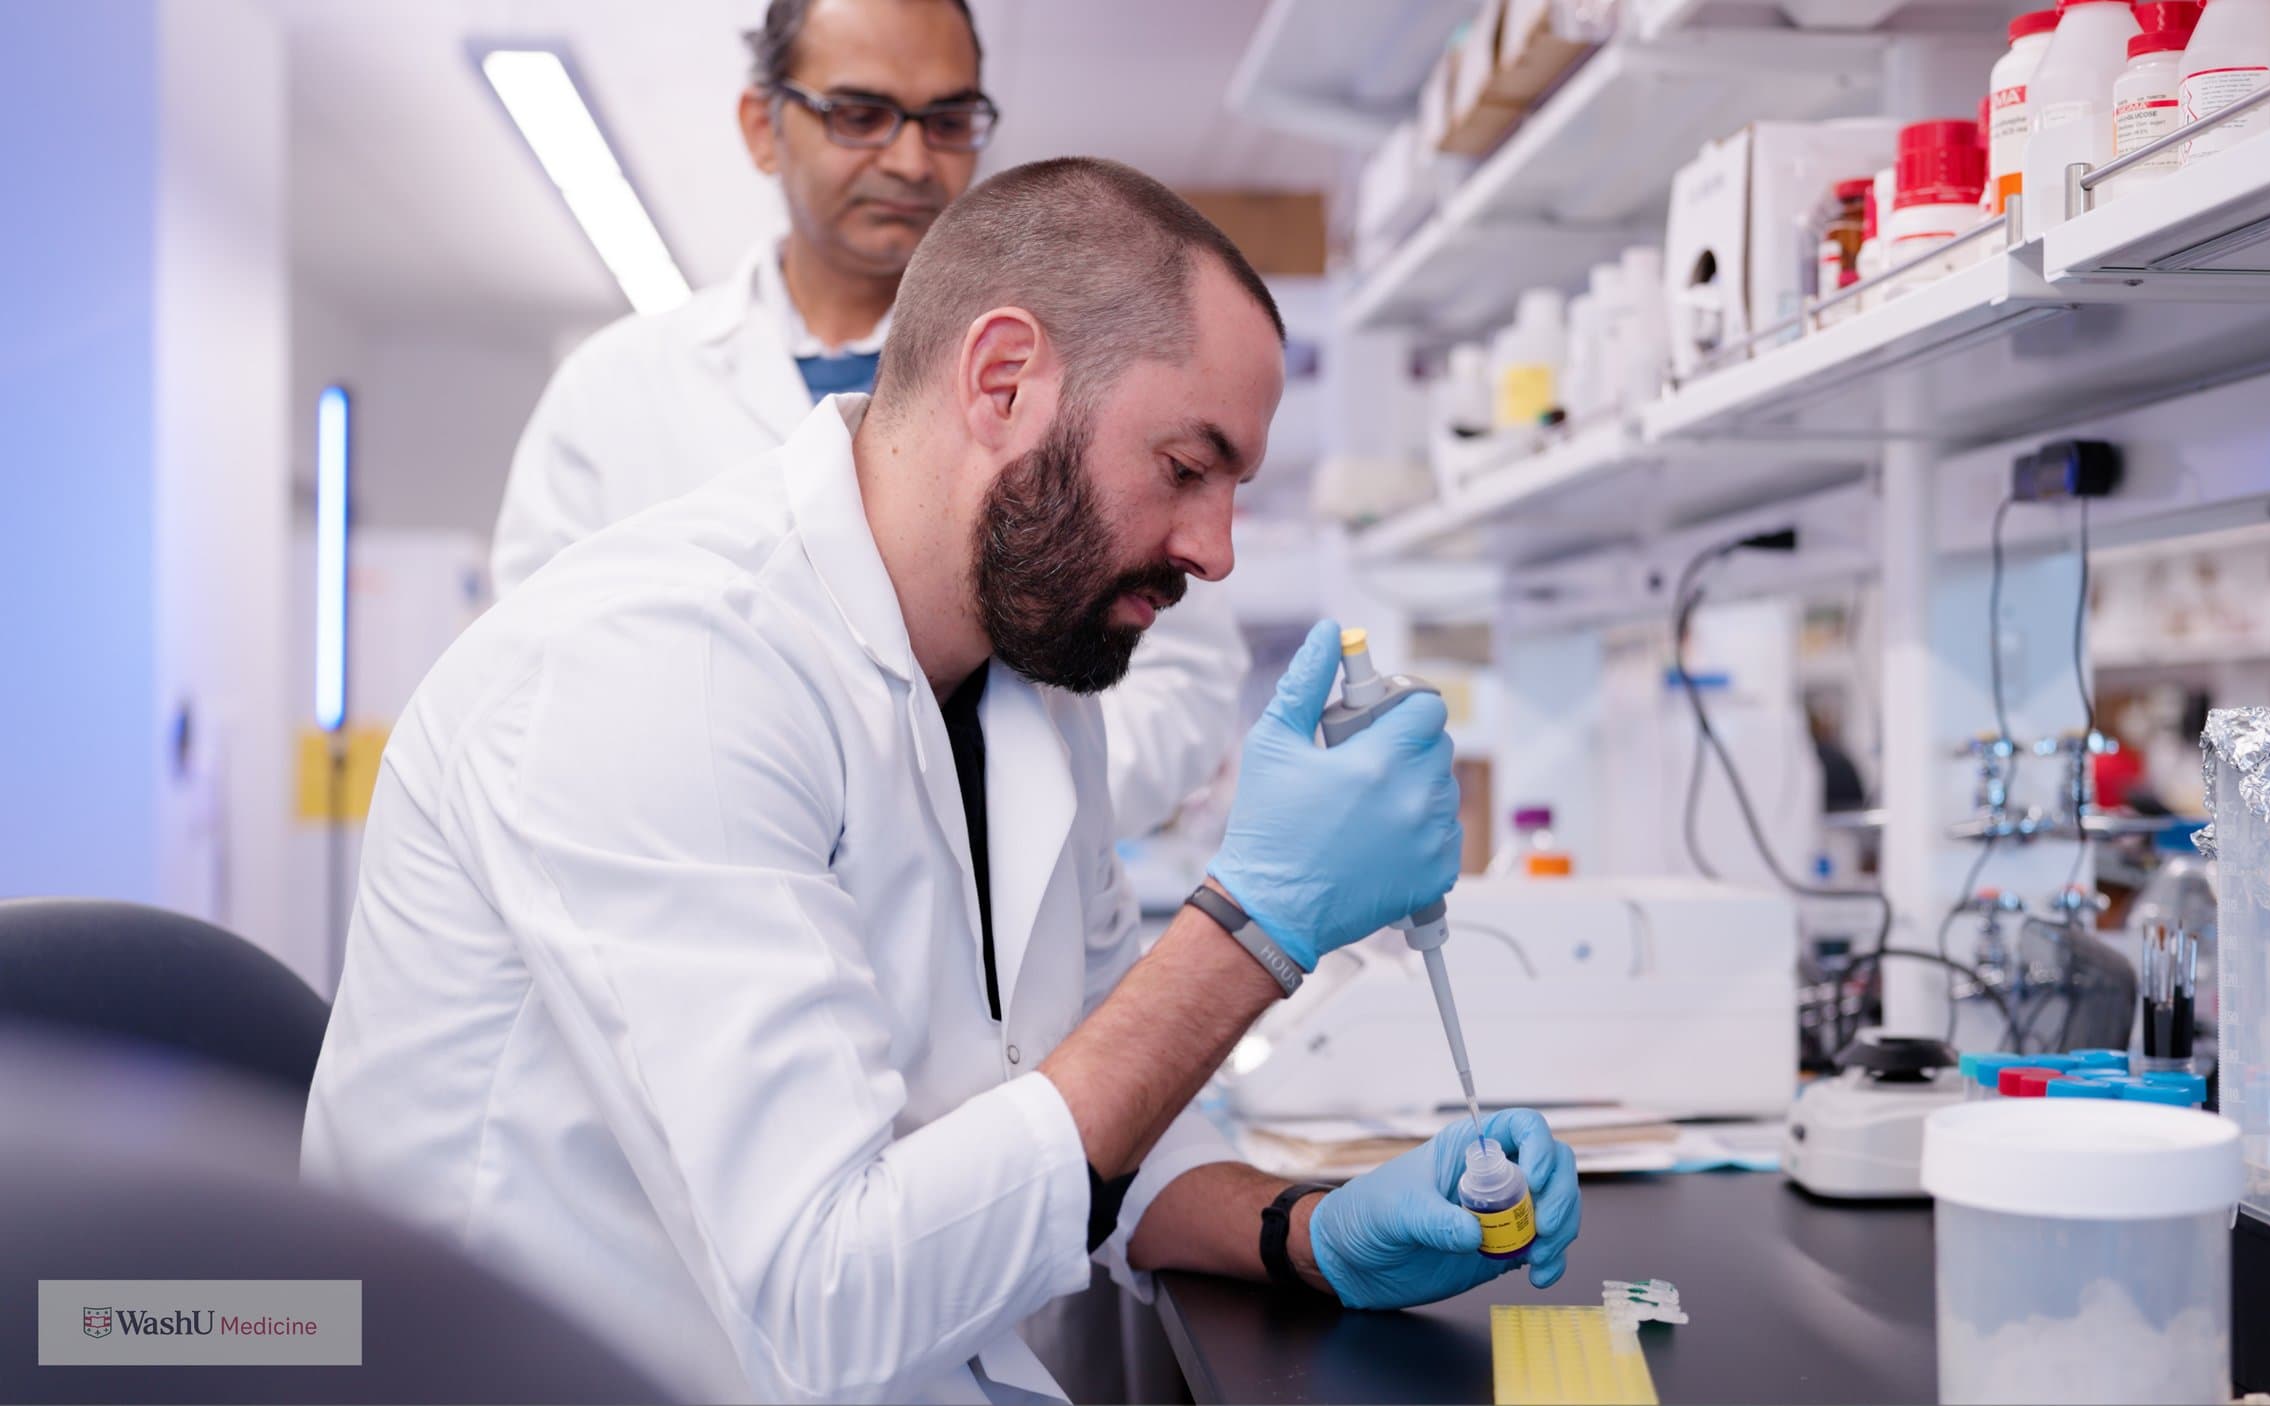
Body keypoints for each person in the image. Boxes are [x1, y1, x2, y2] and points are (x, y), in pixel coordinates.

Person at [304, 158, 1581, 1404]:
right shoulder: (662, 666)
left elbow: (1095, 1086)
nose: (1215, 550)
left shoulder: (1032, 679)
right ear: (1003, 379)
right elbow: (825, 1301)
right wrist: (1255, 925)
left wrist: (1301, 1230)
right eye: (1186, 469)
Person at [491, 0, 1249, 839]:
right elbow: (534, 681)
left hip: (992, 884)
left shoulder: (1072, 380)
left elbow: (1184, 675)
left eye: (948, 120)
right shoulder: (615, 389)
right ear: (763, 127)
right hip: (703, 859)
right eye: (859, 114)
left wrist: (999, 808)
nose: (912, 159)